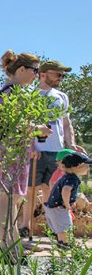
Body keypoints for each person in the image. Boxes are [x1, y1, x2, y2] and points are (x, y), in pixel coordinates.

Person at [0, 51, 41, 250]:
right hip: (11, 150)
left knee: (14, 197)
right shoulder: (11, 93)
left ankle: (13, 242)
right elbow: (16, 125)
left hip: (16, 150)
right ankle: (6, 244)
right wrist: (38, 129)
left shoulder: (12, 92)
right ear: (21, 69)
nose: (36, 75)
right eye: (35, 70)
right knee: (7, 196)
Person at [26, 60, 84, 238]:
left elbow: (66, 124)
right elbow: (26, 123)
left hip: (57, 150)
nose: (61, 77)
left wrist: (71, 144)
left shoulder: (61, 96)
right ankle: (24, 227)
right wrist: (31, 145)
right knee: (31, 190)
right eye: (57, 73)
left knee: (51, 190)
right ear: (43, 74)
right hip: (37, 149)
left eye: (62, 74)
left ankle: (53, 229)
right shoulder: (30, 95)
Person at [43, 152, 91, 248]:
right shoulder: (72, 179)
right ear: (76, 167)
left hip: (52, 207)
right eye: (86, 166)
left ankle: (61, 244)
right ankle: (65, 246)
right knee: (65, 228)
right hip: (59, 208)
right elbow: (65, 191)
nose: (88, 169)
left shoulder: (66, 177)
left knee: (61, 230)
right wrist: (67, 204)